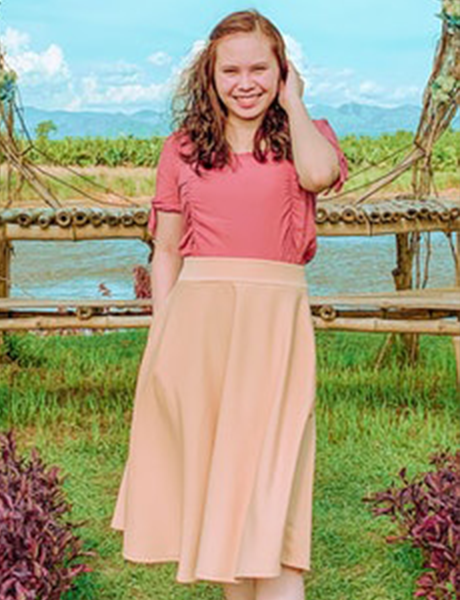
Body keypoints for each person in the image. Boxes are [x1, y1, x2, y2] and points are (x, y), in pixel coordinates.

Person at [111, 9, 349, 600]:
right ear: (210, 77)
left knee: (275, 476)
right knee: (224, 490)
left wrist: (294, 105)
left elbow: (319, 176)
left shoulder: (306, 134)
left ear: (282, 71)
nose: (246, 82)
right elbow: (166, 252)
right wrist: (162, 340)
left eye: (260, 69)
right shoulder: (183, 148)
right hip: (199, 326)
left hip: (276, 325)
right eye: (231, 70)